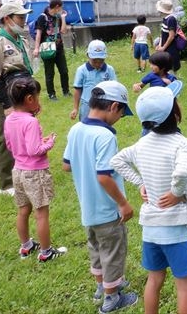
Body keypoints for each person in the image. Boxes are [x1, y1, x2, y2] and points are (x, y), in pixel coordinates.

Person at [111, 81, 187, 314]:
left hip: (151, 226)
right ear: (174, 112)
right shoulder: (182, 144)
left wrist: (141, 182)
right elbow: (182, 171)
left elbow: (117, 161)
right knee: (185, 285)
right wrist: (177, 192)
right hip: (175, 227)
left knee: (154, 280)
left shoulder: (142, 144)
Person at [62, 81, 138, 312]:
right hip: (107, 210)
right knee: (113, 252)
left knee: (96, 249)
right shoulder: (105, 136)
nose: (119, 119)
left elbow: (66, 166)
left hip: (88, 208)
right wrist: (123, 204)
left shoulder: (76, 130)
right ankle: (112, 298)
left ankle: (100, 287)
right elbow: (104, 176)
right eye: (122, 113)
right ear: (114, 106)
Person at [4, 77, 65, 262]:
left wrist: (38, 142)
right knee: (41, 214)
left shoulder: (9, 119)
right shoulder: (31, 122)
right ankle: (46, 253)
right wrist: (49, 143)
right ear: (30, 99)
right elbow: (34, 150)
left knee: (23, 210)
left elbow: (10, 145)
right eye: (38, 97)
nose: (39, 101)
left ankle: (26, 246)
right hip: (35, 173)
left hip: (18, 171)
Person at [0, 2, 34, 195]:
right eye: (20, 18)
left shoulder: (20, 40)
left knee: (24, 136)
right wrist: (6, 105)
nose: (23, 21)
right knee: (7, 139)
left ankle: (24, 172)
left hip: (23, 96)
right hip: (8, 98)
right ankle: (6, 184)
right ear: (7, 19)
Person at [33, 0, 71, 101]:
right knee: (49, 73)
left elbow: (63, 31)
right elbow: (39, 34)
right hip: (47, 48)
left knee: (64, 71)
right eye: (60, 7)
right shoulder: (43, 17)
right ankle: (51, 94)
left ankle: (66, 91)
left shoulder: (58, 17)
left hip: (59, 47)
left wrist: (63, 18)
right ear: (57, 7)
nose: (61, 9)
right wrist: (36, 48)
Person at [71, 40, 117, 121]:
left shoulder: (109, 70)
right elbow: (77, 90)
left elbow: (114, 88)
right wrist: (75, 108)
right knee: (85, 126)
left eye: (101, 61)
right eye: (95, 61)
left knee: (103, 125)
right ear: (88, 55)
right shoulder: (81, 70)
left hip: (104, 104)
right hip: (87, 105)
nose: (98, 64)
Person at [155, 0, 181, 73]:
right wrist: (159, 45)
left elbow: (171, 36)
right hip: (165, 49)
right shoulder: (165, 19)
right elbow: (162, 34)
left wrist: (163, 47)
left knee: (170, 72)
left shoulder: (171, 19)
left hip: (170, 50)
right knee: (164, 70)